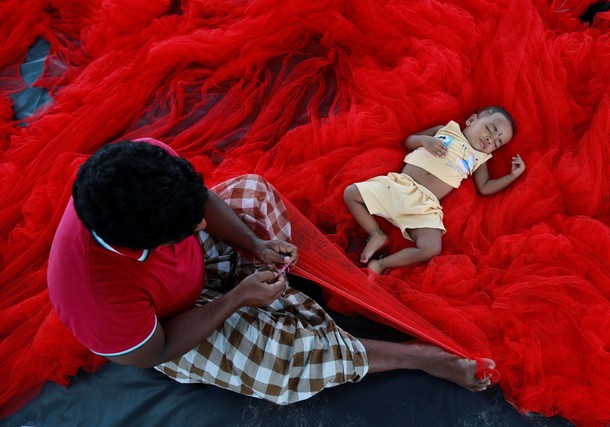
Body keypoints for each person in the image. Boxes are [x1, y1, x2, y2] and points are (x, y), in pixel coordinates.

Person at [47, 138, 494, 407]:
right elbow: (155, 350)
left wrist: (255, 245)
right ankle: (418, 359)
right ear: (140, 245)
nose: (201, 226)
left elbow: (203, 204)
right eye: (185, 230)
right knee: (279, 363)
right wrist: (235, 299)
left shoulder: (145, 164)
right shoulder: (94, 297)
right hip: (172, 326)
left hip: (200, 271)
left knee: (252, 192)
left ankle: (277, 297)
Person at [344, 106, 526, 274]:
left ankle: (382, 264)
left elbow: (485, 187)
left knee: (431, 248)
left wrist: (512, 176)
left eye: (497, 142)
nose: (490, 139)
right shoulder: (445, 130)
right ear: (472, 120)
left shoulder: (479, 158)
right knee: (351, 193)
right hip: (400, 185)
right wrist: (425, 141)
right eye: (490, 129)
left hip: (425, 205)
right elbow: (409, 141)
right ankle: (376, 234)